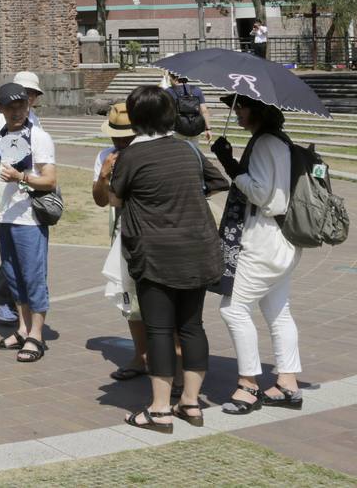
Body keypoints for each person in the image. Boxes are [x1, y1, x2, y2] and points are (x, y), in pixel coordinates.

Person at [109, 87, 228, 432]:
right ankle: (191, 404)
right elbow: (218, 182)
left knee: (159, 329)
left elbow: (116, 198)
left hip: (156, 254)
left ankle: (159, 410)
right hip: (199, 249)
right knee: (191, 327)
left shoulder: (132, 155)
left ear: (136, 119)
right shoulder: (188, 150)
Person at [211, 94, 305, 415]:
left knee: (233, 309)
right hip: (284, 239)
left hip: (263, 239)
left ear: (258, 110)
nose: (236, 112)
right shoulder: (281, 141)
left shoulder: (265, 143)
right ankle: (287, 383)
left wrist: (229, 164)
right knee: (278, 310)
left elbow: (264, 196)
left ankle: (248, 384)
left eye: (241, 107)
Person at [0, 82, 58, 363]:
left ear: (28, 105)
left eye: (21, 105)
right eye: (10, 107)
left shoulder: (39, 137)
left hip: (30, 219)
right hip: (5, 217)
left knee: (33, 276)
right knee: (13, 276)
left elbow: (50, 179)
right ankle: (22, 329)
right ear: (0, 109)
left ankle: (37, 334)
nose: (17, 111)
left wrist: (21, 177)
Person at [0, 71, 43, 326]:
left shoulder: (34, 119)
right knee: (13, 255)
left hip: (26, 197)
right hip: (3, 195)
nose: (28, 99)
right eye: (25, 93)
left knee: (22, 255)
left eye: (32, 95)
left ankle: (11, 303)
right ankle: (0, 300)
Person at [91, 102, 149, 380]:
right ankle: (141, 356)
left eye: (126, 135)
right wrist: (104, 174)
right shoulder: (107, 155)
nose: (120, 141)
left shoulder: (149, 153)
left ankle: (172, 360)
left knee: (159, 299)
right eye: (116, 135)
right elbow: (101, 201)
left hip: (152, 234)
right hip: (122, 233)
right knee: (130, 299)